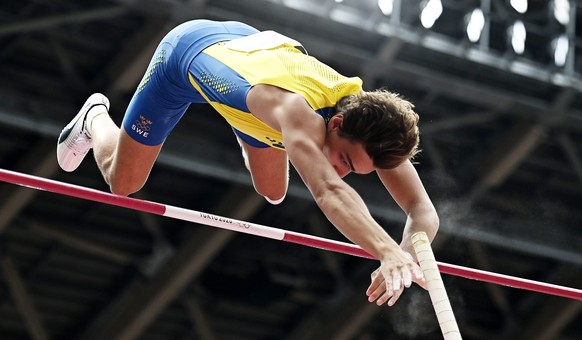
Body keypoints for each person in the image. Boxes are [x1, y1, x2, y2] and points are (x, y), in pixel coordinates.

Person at [56, 20, 439, 307]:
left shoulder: (374, 130)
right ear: (336, 123)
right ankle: (94, 119)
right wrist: (385, 251)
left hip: (251, 58)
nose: (342, 169)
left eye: (354, 169)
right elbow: (328, 190)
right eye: (343, 159)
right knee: (123, 183)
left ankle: (243, 118)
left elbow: (422, 210)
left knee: (272, 191)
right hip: (184, 58)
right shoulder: (296, 114)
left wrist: (406, 254)